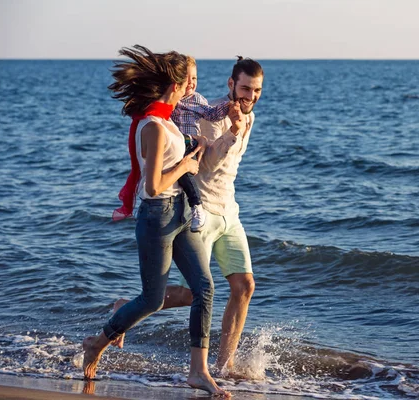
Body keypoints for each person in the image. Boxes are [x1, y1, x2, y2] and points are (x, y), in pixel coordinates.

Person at [83, 45, 229, 397]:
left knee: (204, 288)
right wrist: (185, 166)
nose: (190, 90)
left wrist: (194, 153)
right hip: (156, 217)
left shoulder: (166, 121)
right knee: (151, 300)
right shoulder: (153, 125)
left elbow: (172, 164)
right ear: (175, 85)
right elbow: (152, 185)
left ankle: (198, 372)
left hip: (178, 212)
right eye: (187, 84)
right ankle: (97, 343)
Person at [113, 57, 264, 377]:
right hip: (201, 212)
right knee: (187, 294)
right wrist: (232, 132)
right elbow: (204, 165)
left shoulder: (248, 116)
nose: (250, 96)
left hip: (229, 212)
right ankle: (127, 308)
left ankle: (225, 366)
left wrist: (240, 127)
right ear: (230, 85)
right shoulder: (212, 116)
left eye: (257, 90)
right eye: (245, 88)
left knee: (245, 285)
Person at [171, 56, 232, 233]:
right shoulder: (172, 99)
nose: (191, 83)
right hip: (174, 143)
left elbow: (212, 114)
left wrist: (228, 107)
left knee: (181, 166)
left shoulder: (197, 100)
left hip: (191, 144)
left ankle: (197, 206)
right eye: (186, 78)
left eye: (195, 78)